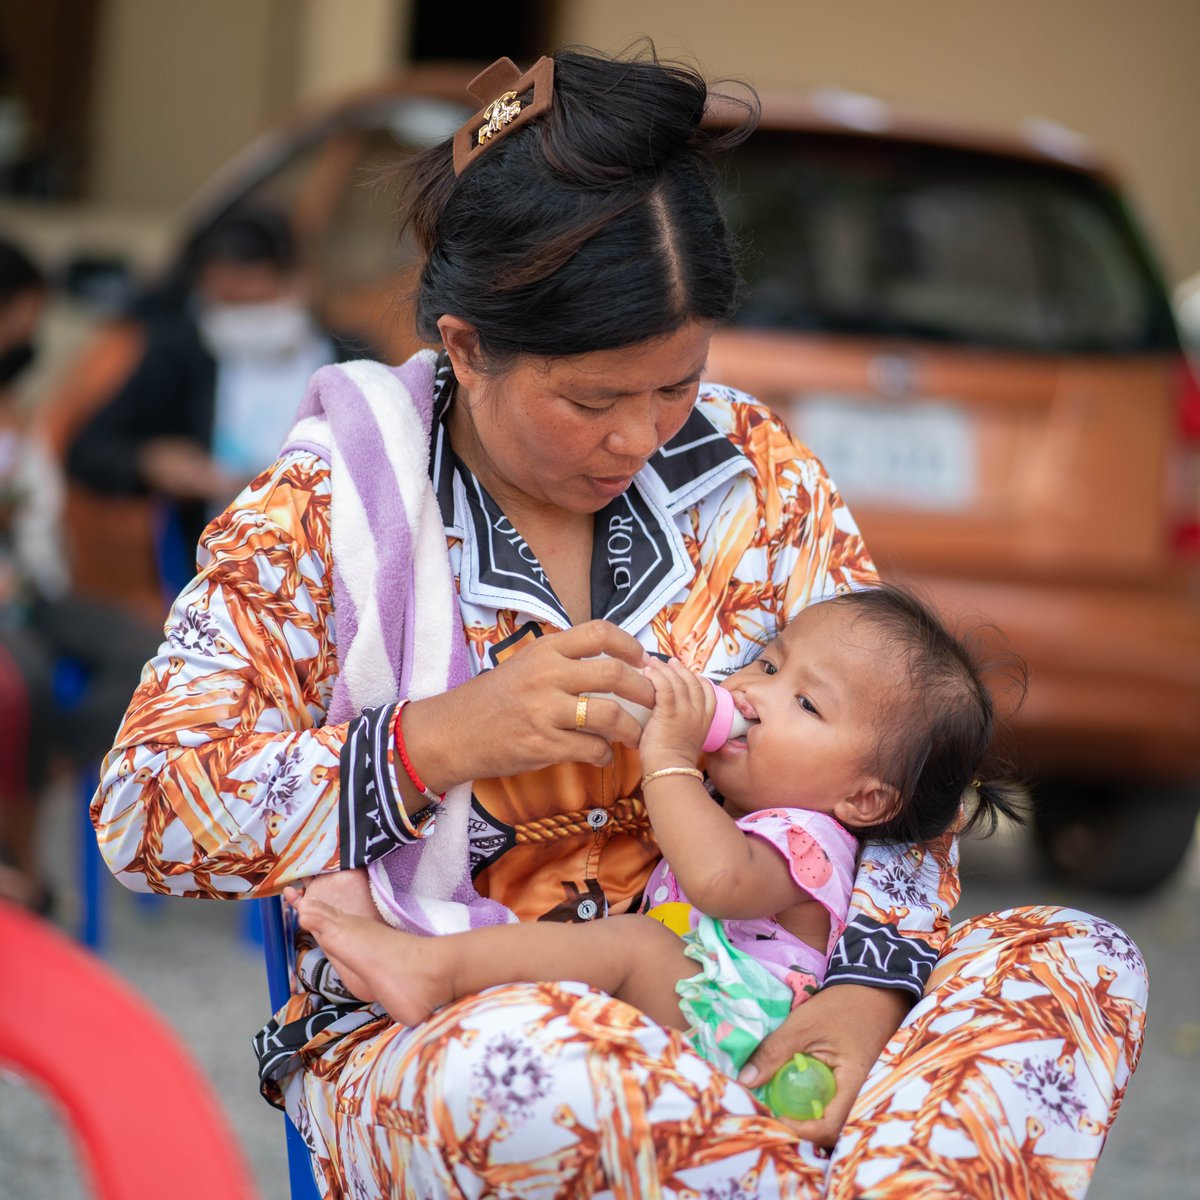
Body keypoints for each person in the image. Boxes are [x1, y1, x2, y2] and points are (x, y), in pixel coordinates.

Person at [92, 47, 1146, 1198]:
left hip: (763, 999)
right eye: (593, 399)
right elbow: (145, 817)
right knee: (558, 1072)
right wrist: (434, 740)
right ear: (466, 345)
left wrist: (858, 1000)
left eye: (676, 384)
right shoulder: (329, 504)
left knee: (1077, 964)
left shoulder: (758, 478)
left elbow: (895, 771)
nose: (640, 437)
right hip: (450, 1034)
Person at [285, 586, 1025, 1101]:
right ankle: (398, 926)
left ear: (865, 799)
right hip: (700, 1013)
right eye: (767, 663)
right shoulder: (749, 811)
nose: (755, 693)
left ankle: (429, 968)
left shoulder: (813, 840)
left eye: (805, 702)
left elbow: (717, 882)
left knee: (634, 945)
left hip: (753, 1028)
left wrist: (668, 755)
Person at [0, 236, 158, 910]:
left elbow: (34, 516)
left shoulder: (18, 405)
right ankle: (23, 864)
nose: (31, 333)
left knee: (144, 646)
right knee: (24, 680)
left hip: (31, 588)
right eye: (26, 317)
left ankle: (51, 766)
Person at [65, 206, 363, 559]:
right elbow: (88, 448)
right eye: (221, 304)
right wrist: (151, 461)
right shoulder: (181, 354)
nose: (234, 319)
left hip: (321, 559)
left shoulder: (351, 359)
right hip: (214, 562)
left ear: (296, 282)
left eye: (250, 303)